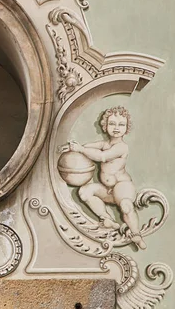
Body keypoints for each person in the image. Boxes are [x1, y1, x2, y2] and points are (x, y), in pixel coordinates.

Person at [66, 106, 146, 250]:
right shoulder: (105, 144)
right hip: (107, 190)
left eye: (121, 125)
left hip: (122, 186)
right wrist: (73, 148)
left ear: (126, 128)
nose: (116, 128)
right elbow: (89, 146)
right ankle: (107, 219)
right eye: (112, 124)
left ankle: (136, 234)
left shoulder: (122, 147)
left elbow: (103, 157)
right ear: (105, 126)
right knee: (85, 192)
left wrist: (82, 150)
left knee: (126, 206)